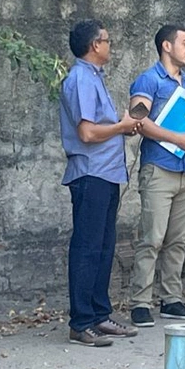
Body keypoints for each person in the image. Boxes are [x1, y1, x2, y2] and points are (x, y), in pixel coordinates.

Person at [59, 20, 141, 346]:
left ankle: (98, 315)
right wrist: (121, 126)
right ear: (95, 45)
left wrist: (122, 125)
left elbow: (103, 125)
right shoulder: (80, 78)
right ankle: (81, 323)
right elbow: (87, 133)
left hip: (107, 172)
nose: (110, 45)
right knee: (87, 249)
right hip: (90, 173)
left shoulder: (94, 78)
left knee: (104, 248)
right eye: (107, 40)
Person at [128, 25, 185, 327]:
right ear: (167, 46)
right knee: (151, 239)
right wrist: (175, 138)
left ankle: (171, 299)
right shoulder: (148, 80)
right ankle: (140, 303)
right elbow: (136, 119)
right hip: (159, 169)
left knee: (178, 240)